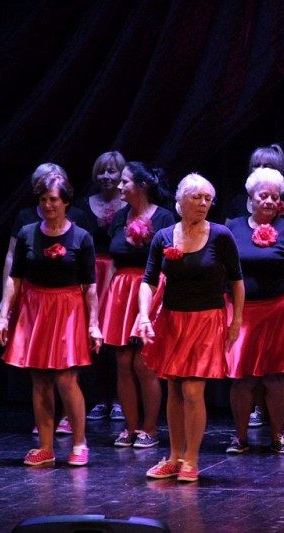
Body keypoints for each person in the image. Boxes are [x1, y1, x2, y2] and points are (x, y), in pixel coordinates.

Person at [0, 170, 102, 467]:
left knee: (66, 379)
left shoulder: (81, 237)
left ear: (65, 201)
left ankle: (79, 443)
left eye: (53, 199)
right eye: (43, 199)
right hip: (35, 308)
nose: (47, 205)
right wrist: (4, 316)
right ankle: (45, 447)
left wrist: (94, 324)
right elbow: (15, 278)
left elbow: (90, 286)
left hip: (67, 309)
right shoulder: (28, 233)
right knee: (40, 380)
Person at [141, 173, 243, 482]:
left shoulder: (221, 235)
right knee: (174, 389)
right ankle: (174, 457)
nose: (203, 203)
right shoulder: (163, 236)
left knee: (192, 390)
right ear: (181, 200)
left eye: (208, 199)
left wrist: (236, 320)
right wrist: (143, 315)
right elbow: (148, 281)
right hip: (173, 320)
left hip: (206, 320)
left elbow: (237, 281)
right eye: (197, 197)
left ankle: (192, 460)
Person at [225, 143, 284, 427]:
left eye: (274, 197)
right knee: (244, 371)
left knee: (277, 370)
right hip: (244, 305)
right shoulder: (236, 217)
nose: (269, 200)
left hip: (278, 299)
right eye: (263, 196)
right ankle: (244, 428)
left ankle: (279, 427)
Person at [101, 162, 174, 449]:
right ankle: (130, 428)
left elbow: (168, 262)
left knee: (144, 365)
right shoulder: (120, 216)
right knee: (122, 364)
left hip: (150, 290)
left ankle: (150, 429)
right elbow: (113, 261)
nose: (119, 187)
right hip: (121, 292)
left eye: (125, 181)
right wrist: (105, 299)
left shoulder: (164, 217)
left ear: (141, 185)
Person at [73, 151, 127, 422]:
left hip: (116, 275)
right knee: (92, 340)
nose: (106, 176)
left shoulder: (129, 205)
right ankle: (100, 399)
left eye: (112, 171)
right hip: (92, 273)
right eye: (102, 171)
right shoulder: (83, 205)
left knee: (115, 341)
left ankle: (118, 400)